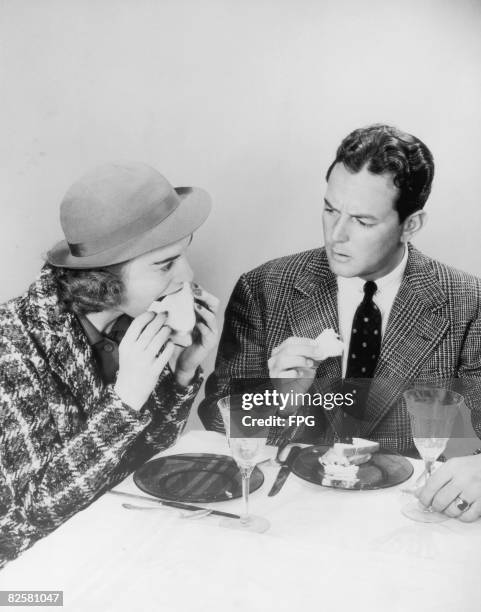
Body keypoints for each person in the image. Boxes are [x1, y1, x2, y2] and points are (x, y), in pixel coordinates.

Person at [198, 124, 481, 521]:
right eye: (331, 209)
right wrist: (277, 395)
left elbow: (476, 443)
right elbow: (216, 418)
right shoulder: (264, 288)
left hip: (406, 524)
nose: (337, 234)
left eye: (363, 221)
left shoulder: (469, 303)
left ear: (411, 224)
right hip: (285, 517)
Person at [0, 162, 219, 567]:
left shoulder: (126, 324)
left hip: (108, 542)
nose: (186, 275)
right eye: (165, 263)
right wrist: (126, 399)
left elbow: (142, 461)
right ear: (104, 277)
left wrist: (183, 372)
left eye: (182, 256)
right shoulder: (10, 350)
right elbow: (30, 517)